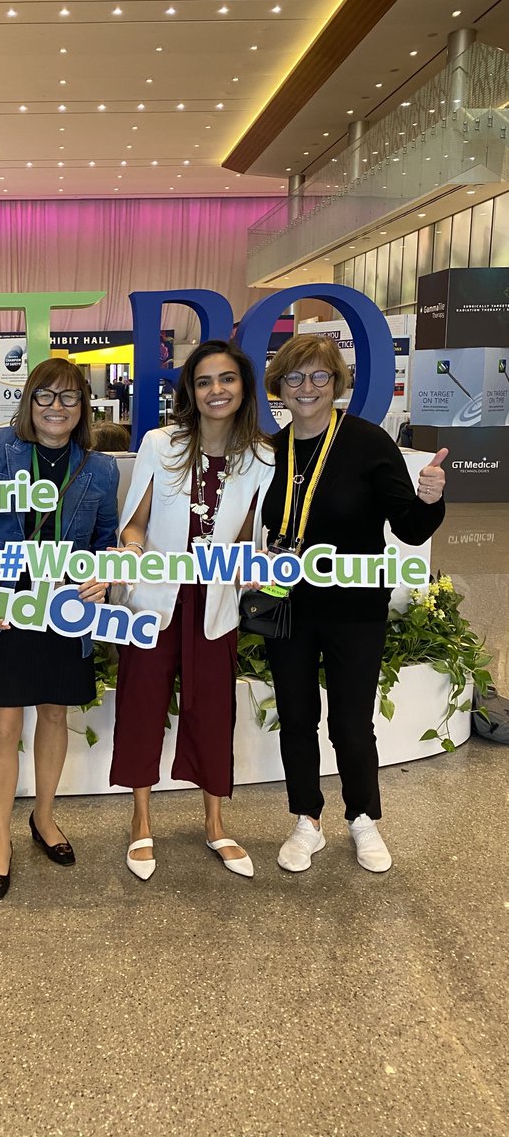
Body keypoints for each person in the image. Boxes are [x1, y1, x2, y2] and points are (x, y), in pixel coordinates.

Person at [261, 333, 446, 875]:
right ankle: (306, 820)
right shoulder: (273, 449)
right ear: (280, 387)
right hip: (287, 605)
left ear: (337, 383)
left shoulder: (368, 443)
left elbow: (410, 529)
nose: (307, 387)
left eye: (320, 376)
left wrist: (431, 498)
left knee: (350, 721)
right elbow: (259, 527)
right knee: (296, 716)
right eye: (295, 377)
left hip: (354, 608)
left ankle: (362, 817)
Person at [109, 341, 275, 881]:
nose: (216, 390)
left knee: (211, 710)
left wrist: (256, 563)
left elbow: (250, 536)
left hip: (214, 602)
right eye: (204, 382)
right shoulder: (162, 443)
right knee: (142, 705)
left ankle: (215, 822)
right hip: (155, 598)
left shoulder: (262, 458)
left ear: (244, 388)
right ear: (190, 391)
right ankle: (140, 822)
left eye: (227, 379)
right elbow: (135, 523)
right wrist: (130, 553)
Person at [0, 359, 119, 900]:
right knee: (3, 726)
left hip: (66, 604)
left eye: (70, 398)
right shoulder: (0, 450)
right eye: (45, 396)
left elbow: (105, 540)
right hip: (6, 602)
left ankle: (43, 818)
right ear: (28, 401)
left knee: (54, 713)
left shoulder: (99, 469)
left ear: (84, 407)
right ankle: (0, 839)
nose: (57, 407)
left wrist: (103, 576)